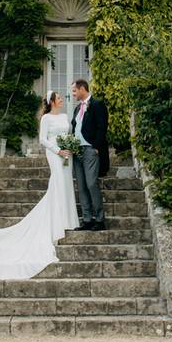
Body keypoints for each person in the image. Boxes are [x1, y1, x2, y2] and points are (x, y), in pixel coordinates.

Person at [0, 90, 79, 280]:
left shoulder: (65, 116)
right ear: (52, 102)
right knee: (56, 182)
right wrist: (58, 150)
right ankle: (58, 221)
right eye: (58, 98)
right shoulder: (46, 118)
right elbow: (42, 139)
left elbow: (70, 133)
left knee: (65, 184)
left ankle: (68, 219)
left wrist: (69, 147)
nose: (61, 100)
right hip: (55, 154)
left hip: (67, 154)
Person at [70, 78, 109, 231]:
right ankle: (87, 219)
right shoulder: (76, 109)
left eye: (74, 91)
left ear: (82, 89)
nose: (73, 94)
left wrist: (96, 147)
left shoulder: (97, 104)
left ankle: (99, 220)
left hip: (90, 150)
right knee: (81, 185)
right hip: (77, 151)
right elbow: (75, 128)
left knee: (91, 183)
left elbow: (102, 127)